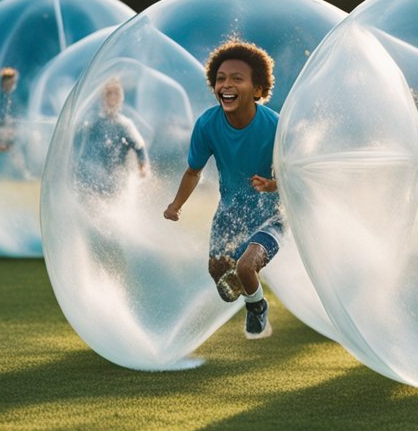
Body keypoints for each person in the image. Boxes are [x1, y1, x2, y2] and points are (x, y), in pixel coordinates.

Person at [163, 39, 282, 338]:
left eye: (237, 78)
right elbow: (193, 170)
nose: (226, 84)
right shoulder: (207, 125)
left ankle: (257, 308)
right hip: (230, 214)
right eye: (220, 79)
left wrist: (273, 185)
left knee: (245, 268)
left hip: (274, 214)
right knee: (221, 277)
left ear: (257, 90)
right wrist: (176, 204)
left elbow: (295, 176)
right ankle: (248, 295)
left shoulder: (275, 126)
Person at [77, 78, 150, 197]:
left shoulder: (124, 124)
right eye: (108, 93)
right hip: (95, 180)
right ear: (102, 97)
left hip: (116, 181)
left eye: (116, 93)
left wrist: (143, 167)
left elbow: (139, 146)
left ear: (121, 97)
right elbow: (82, 147)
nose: (112, 97)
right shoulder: (94, 122)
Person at [0, 66, 19, 152]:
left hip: (9, 129)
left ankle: (4, 145)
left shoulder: (11, 97)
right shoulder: (1, 96)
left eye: (12, 84)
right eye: (8, 84)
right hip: (3, 128)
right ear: (3, 83)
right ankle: (2, 145)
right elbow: (1, 115)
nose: (11, 86)